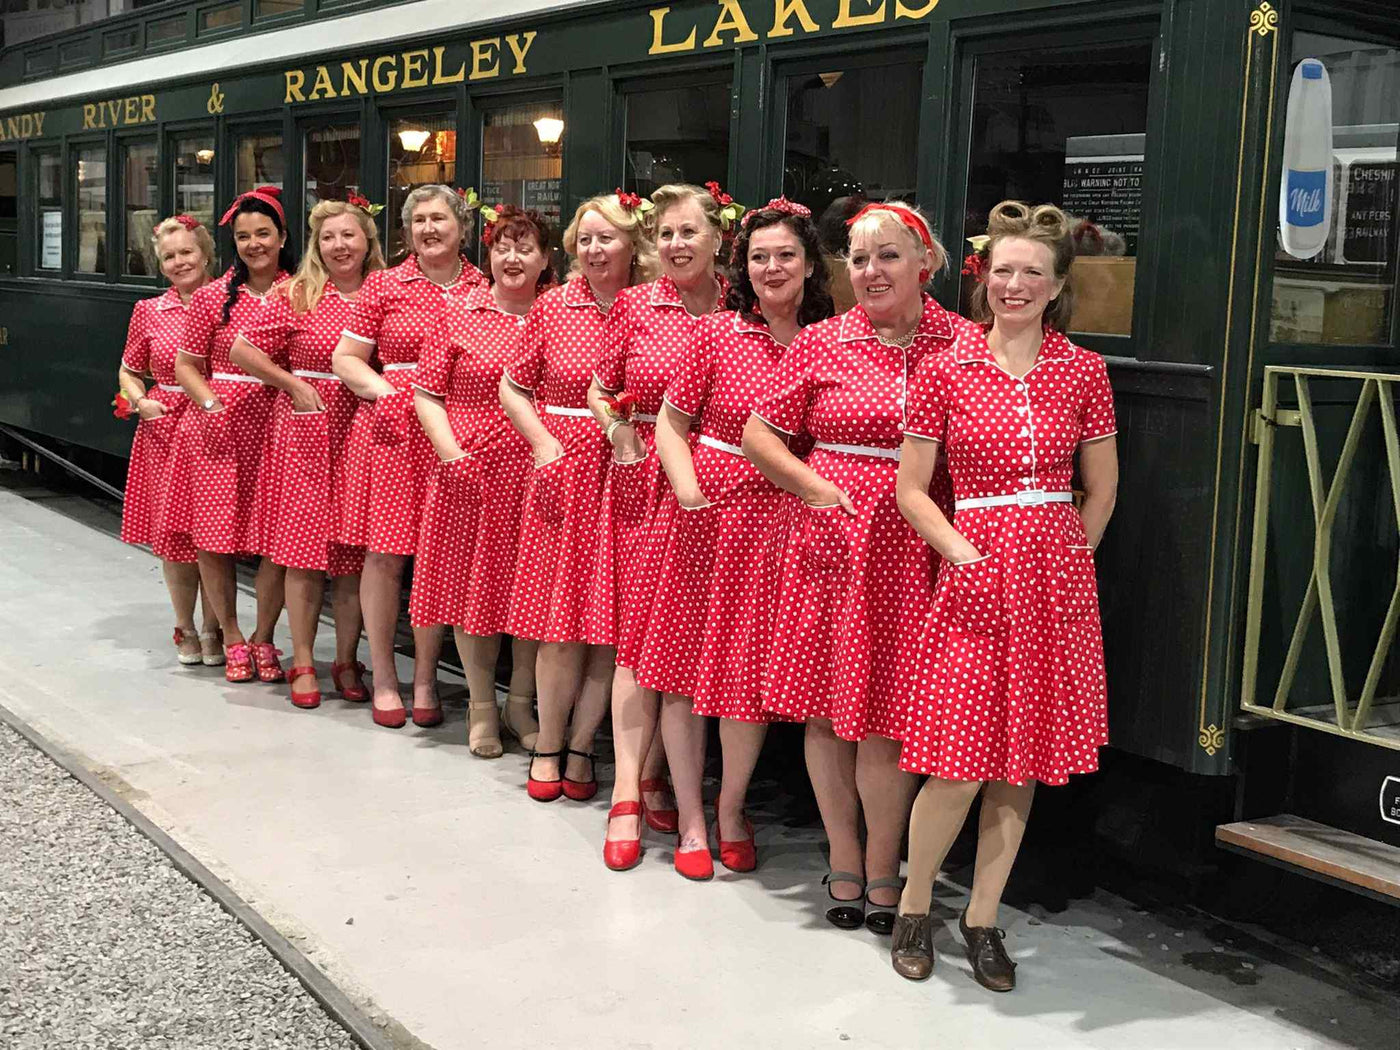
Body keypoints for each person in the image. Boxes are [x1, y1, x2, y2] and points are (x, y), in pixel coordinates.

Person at [888, 201, 1117, 991]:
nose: (1015, 285)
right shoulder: (945, 367)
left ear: (1057, 288)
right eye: (1004, 270)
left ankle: (982, 917)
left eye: (1033, 273)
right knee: (956, 763)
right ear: (985, 277)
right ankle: (916, 904)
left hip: (1052, 586)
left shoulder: (1083, 371)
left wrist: (1067, 569)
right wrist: (962, 554)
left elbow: (1102, 489)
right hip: (974, 572)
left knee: (1019, 764)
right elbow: (912, 489)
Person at [741, 201, 968, 934]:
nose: (871, 271)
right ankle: (844, 851)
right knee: (825, 708)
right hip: (834, 542)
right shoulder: (824, 341)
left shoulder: (964, 345)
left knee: (889, 716)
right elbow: (758, 437)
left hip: (915, 545)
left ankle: (883, 863)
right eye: (860, 259)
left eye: (889, 256)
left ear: (925, 264)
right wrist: (816, 489)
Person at [613, 198, 834, 876]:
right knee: (679, 677)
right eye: (760, 256)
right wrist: (686, 491)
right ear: (743, 264)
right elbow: (673, 427)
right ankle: (688, 818)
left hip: (779, 526)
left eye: (785, 255)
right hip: (704, 515)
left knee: (745, 680)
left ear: (808, 265)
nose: (772, 267)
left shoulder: (829, 339)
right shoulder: (715, 335)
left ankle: (732, 807)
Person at [499, 193, 655, 801]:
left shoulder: (651, 309)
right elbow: (515, 390)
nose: (593, 250)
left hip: (631, 471)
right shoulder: (552, 307)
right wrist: (543, 444)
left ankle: (584, 745)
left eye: (606, 238)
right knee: (560, 624)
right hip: (566, 469)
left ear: (631, 245)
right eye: (584, 239)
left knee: (608, 626)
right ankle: (546, 742)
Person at [598, 182, 732, 859]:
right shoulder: (634, 305)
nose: (676, 245)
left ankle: (661, 774)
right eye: (667, 234)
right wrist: (616, 428)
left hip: (724, 487)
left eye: (689, 232)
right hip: (647, 479)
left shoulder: (744, 311)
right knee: (637, 638)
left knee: (690, 643)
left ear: (717, 238)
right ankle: (625, 788)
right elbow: (601, 384)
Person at [331, 185, 485, 729]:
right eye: (418, 220)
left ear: (462, 227)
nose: (428, 229)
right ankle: (384, 675)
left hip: (456, 434)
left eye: (439, 218)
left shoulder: (483, 290)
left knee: (439, 559)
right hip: (394, 435)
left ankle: (426, 676)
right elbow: (346, 359)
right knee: (385, 556)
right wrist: (389, 394)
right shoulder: (384, 284)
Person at [228, 199, 386, 708]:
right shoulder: (295, 293)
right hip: (306, 433)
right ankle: (301, 659)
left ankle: (344, 658)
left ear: (367, 241)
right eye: (328, 238)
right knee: (302, 555)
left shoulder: (383, 292)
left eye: (349, 236)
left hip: (363, 433)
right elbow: (241, 350)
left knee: (352, 557)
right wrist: (290, 383)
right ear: (317, 246)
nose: (339, 246)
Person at [411, 205, 553, 757]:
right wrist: (451, 456)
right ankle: (481, 707)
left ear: (545, 260)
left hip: (539, 477)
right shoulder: (457, 310)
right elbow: (427, 394)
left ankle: (521, 703)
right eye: (502, 247)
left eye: (525, 248)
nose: (511, 258)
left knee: (531, 597)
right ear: (488, 255)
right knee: (477, 596)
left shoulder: (557, 313)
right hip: (470, 475)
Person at [173, 187, 296, 683]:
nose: (253, 244)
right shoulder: (209, 297)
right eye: (243, 236)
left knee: (277, 539)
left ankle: (265, 634)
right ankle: (230, 633)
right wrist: (209, 402)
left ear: (282, 237)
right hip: (219, 429)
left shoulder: (304, 291)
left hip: (280, 426)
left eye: (263, 233)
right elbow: (186, 366)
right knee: (215, 536)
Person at [116, 215, 219, 667]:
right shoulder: (149, 311)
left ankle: (218, 628)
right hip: (164, 429)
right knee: (176, 539)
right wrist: (140, 401)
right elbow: (128, 370)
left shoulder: (228, 303)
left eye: (187, 253)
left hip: (215, 426)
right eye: (169, 256)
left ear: (206, 254)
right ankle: (187, 626)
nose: (179, 262)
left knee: (215, 535)